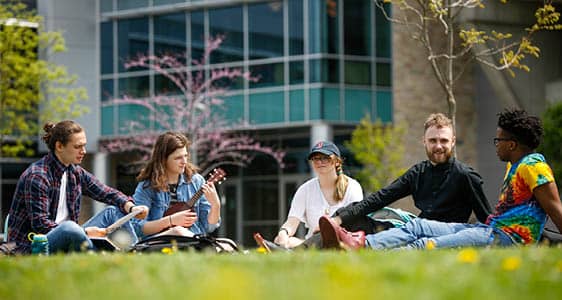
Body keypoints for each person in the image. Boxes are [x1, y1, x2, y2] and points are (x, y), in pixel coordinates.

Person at [320, 108, 562, 250]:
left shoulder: (534, 167)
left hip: (504, 237)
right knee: (415, 225)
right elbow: (383, 196)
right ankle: (360, 245)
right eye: (433, 140)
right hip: (491, 230)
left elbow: (554, 209)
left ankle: (367, 254)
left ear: (512, 144)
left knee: (425, 243)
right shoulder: (515, 166)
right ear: (424, 141)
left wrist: (549, 240)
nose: (495, 145)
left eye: (498, 141)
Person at [8, 120, 148, 254]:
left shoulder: (74, 172)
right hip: (36, 245)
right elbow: (41, 225)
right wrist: (85, 232)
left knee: (112, 211)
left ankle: (134, 253)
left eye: (84, 145)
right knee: (70, 227)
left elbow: (107, 193)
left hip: (73, 235)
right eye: (77, 147)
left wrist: (131, 207)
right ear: (59, 146)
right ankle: (98, 258)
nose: (84, 151)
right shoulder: (37, 176)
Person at [270, 141, 363, 249]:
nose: (320, 162)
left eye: (325, 158)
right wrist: (283, 233)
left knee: (293, 245)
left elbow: (355, 222)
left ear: (337, 162)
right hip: (311, 243)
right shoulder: (305, 189)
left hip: (343, 243)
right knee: (285, 241)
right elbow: (291, 223)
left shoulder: (353, 187)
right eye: (315, 158)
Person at [131, 132, 221, 240]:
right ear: (163, 160)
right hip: (160, 243)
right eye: (178, 158)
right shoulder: (147, 187)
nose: (184, 161)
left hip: (193, 241)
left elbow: (209, 227)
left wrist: (216, 206)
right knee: (178, 231)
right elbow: (136, 227)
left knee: (228, 243)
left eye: (186, 156)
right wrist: (170, 221)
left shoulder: (197, 181)